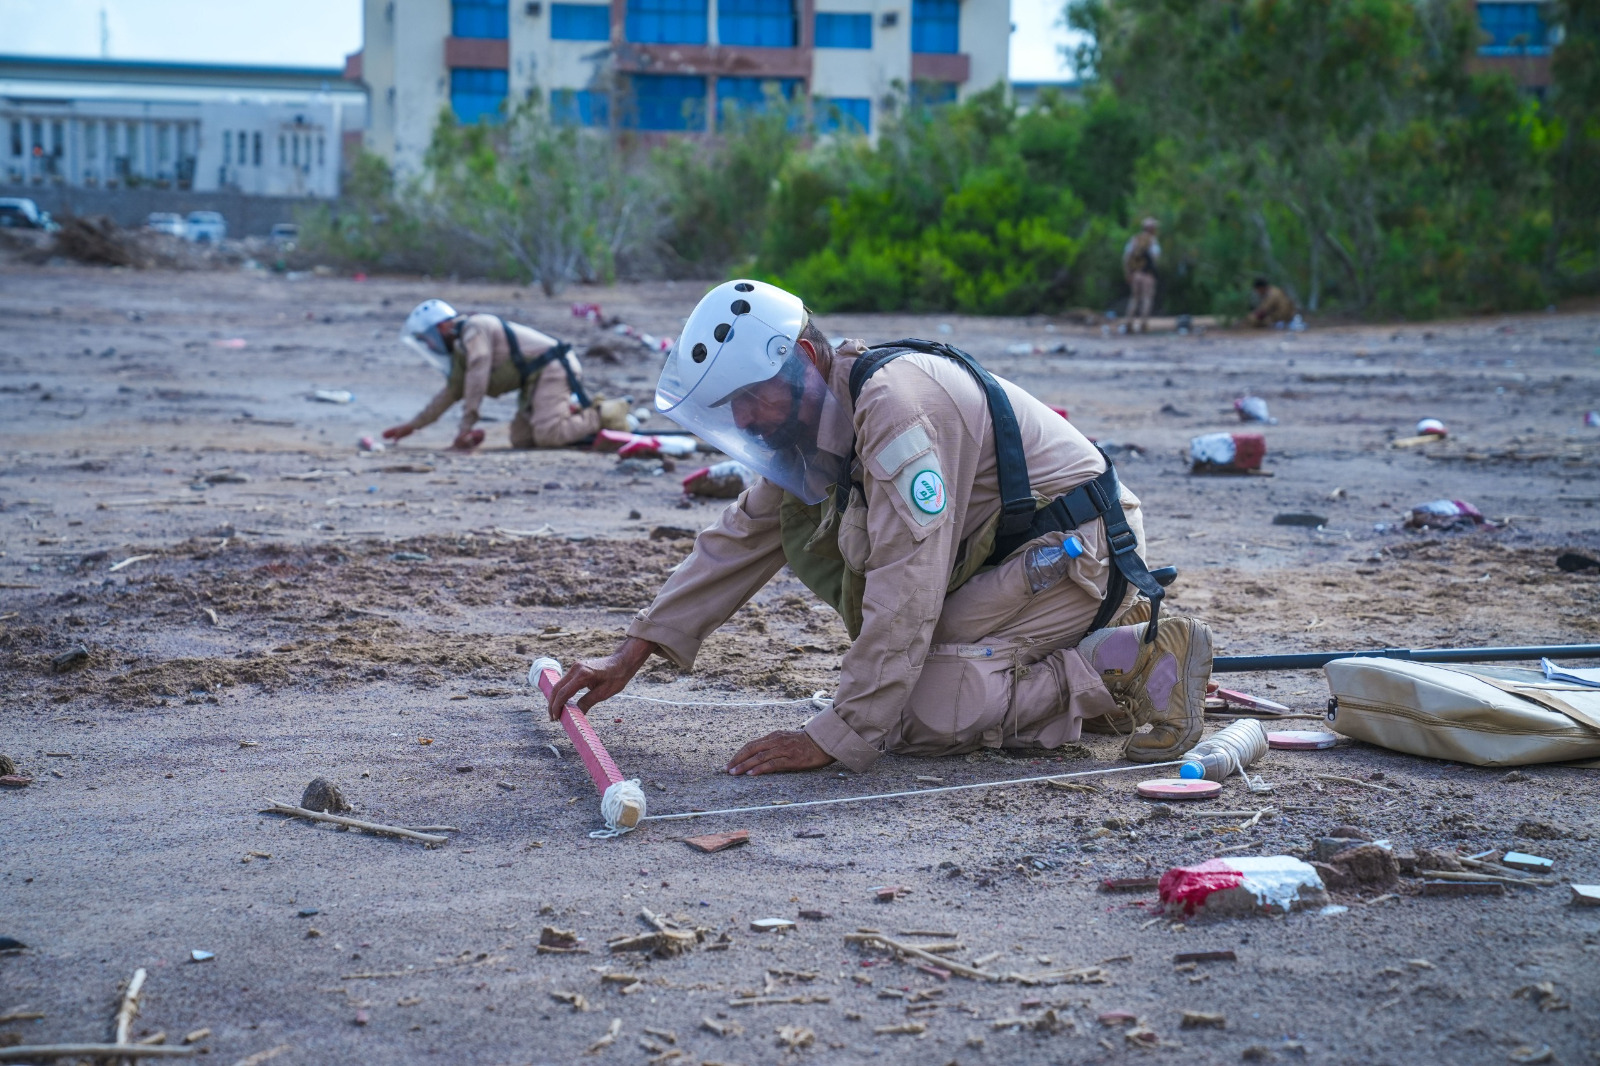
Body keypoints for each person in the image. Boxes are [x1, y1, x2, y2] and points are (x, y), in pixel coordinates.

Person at [547, 280, 1214, 777]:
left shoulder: (891, 408)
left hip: (1080, 549)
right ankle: (1077, 672)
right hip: (1018, 556)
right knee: (899, 679)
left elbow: (907, 586)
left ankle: (1137, 660)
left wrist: (837, 734)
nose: (747, 418)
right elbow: (741, 535)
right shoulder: (808, 425)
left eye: (755, 395)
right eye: (733, 406)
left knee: (915, 713)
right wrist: (633, 650)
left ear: (806, 356)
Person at [383, 299, 634, 451]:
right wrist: (412, 426)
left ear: (442, 327)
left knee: (549, 436)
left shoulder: (475, 328)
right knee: (522, 439)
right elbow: (450, 393)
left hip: (553, 368)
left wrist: (466, 426)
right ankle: (569, 416)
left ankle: (606, 412)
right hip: (534, 380)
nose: (429, 345)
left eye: (427, 338)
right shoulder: (461, 348)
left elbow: (477, 375)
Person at [1122, 218, 1160, 334]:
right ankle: (1143, 324)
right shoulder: (1152, 241)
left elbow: (1126, 257)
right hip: (1147, 275)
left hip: (1135, 274)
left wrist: (1128, 273)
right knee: (1146, 299)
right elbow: (1155, 256)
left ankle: (1129, 323)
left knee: (1134, 298)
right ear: (1152, 229)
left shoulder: (1135, 239)